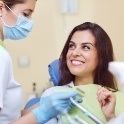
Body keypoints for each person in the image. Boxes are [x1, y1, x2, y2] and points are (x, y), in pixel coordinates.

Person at [0, 0, 79, 124]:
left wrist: (42, 105)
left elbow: (8, 118)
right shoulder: (1, 56)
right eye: (25, 14)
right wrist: (43, 113)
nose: (30, 22)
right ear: (1, 8)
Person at [40, 22, 118, 123]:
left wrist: (110, 117)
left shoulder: (116, 99)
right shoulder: (53, 96)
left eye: (85, 47)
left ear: (101, 57)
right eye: (72, 46)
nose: (75, 53)